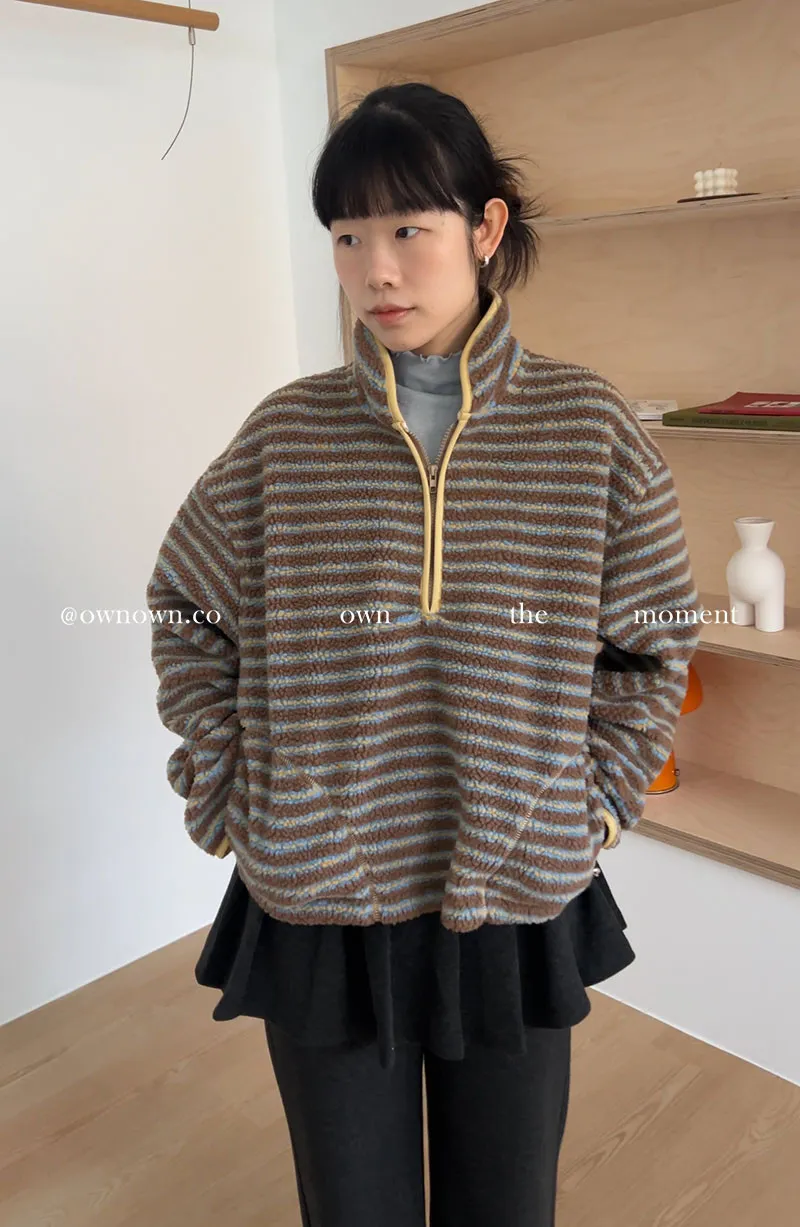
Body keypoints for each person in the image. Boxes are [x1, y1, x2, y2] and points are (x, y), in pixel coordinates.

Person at [146, 82, 701, 1227]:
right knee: (351, 1205)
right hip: (316, 893)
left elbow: (649, 648)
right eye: (346, 237)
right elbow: (184, 606)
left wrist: (590, 803)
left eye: (407, 228)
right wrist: (227, 788)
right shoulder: (285, 437)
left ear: (484, 228)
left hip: (511, 886)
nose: (376, 270)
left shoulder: (587, 429)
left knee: (506, 1202)